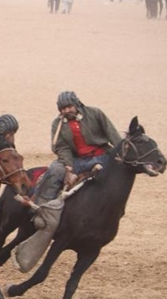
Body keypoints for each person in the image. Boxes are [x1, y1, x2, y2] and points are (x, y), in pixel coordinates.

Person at [34, 91, 122, 221]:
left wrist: (120, 152)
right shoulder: (57, 124)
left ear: (76, 104)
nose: (67, 110)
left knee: (117, 175)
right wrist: (68, 165)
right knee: (55, 169)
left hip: (102, 156)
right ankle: (43, 207)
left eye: (69, 107)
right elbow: (60, 146)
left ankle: (116, 208)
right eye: (63, 108)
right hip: (77, 160)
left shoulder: (95, 113)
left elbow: (112, 133)